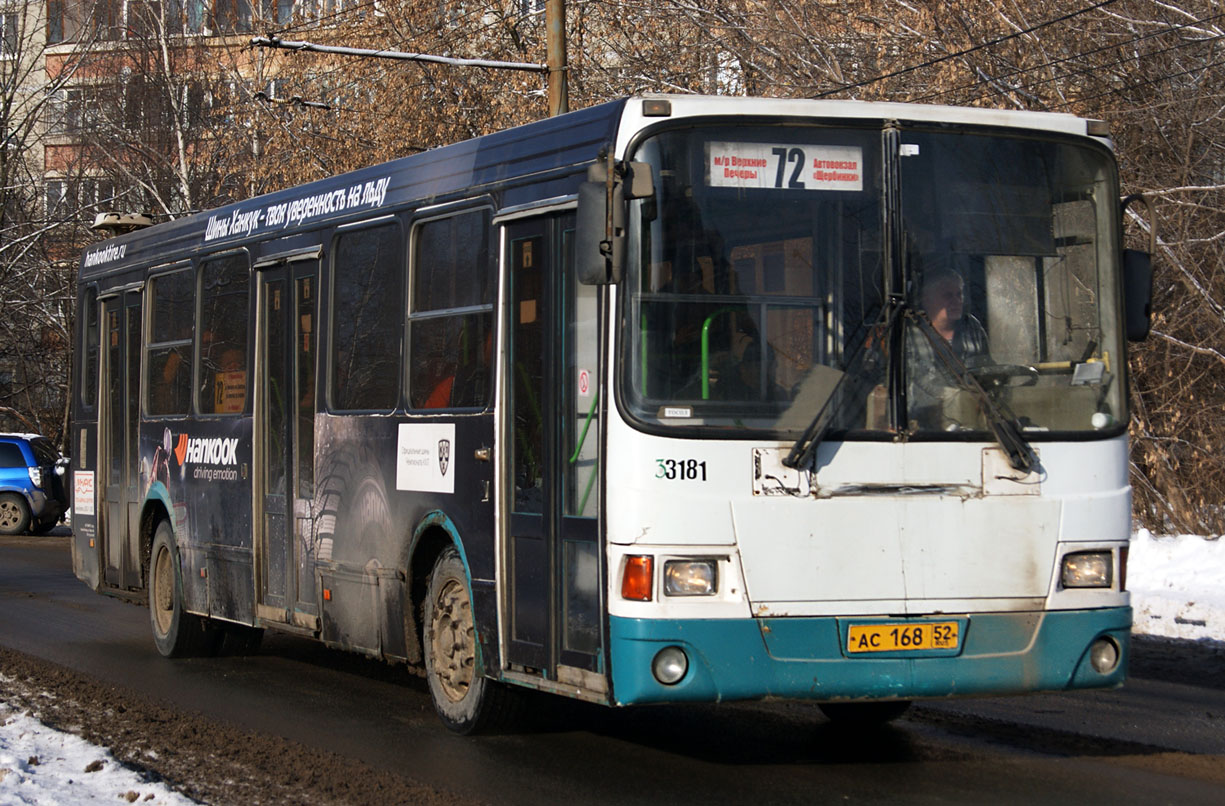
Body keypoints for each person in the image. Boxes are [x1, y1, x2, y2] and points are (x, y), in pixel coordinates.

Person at [906, 266, 991, 425]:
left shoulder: (971, 326)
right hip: (925, 425)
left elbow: (987, 368)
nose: (957, 301)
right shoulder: (909, 334)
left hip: (973, 418)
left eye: (959, 294)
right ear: (926, 299)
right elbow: (912, 385)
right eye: (948, 296)